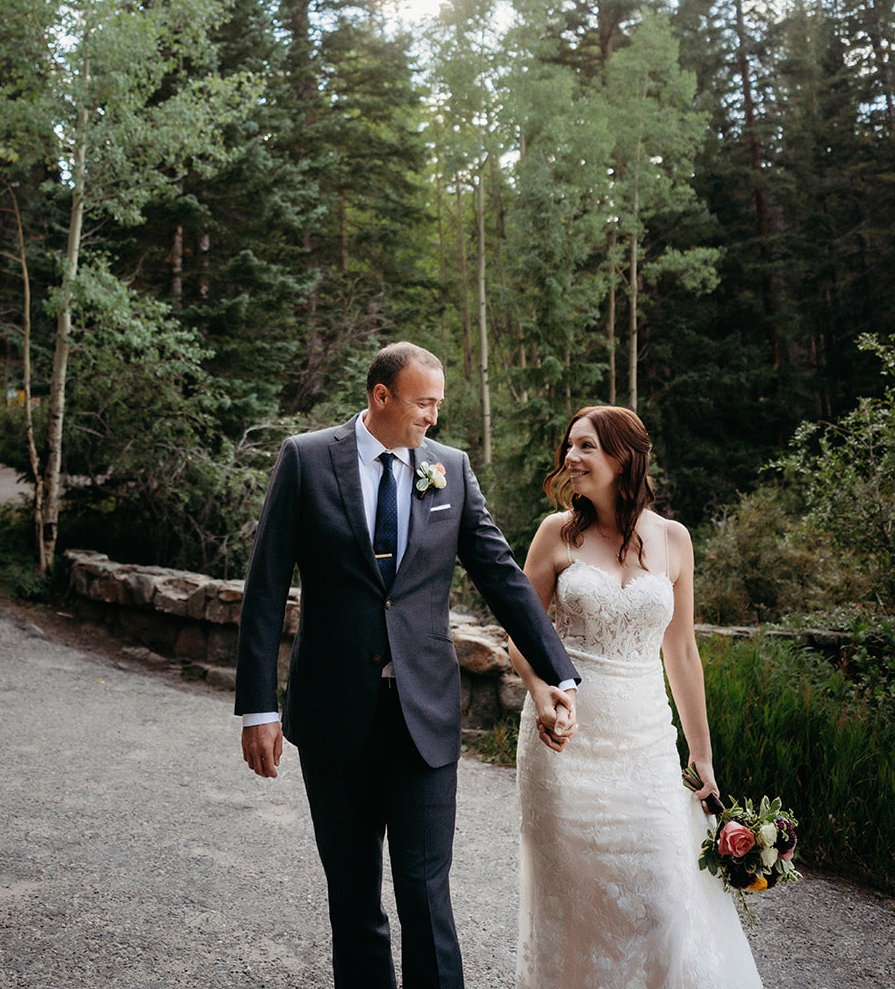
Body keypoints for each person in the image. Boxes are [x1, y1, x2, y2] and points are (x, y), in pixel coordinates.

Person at [235, 341, 581, 989]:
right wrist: (258, 707)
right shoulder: (306, 460)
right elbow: (263, 589)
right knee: (353, 895)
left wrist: (557, 673)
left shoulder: (448, 466)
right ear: (381, 397)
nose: (433, 417)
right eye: (424, 403)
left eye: (439, 404)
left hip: (422, 715)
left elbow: (501, 577)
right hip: (333, 714)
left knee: (425, 892)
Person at [509, 404, 764, 989]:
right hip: (565, 745)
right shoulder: (556, 533)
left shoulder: (675, 539)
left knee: (661, 895)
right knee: (575, 906)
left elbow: (681, 652)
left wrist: (701, 756)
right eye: (569, 447)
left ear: (625, 457)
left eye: (586, 447)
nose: (570, 458)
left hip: (647, 743)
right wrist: (543, 692)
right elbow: (522, 633)